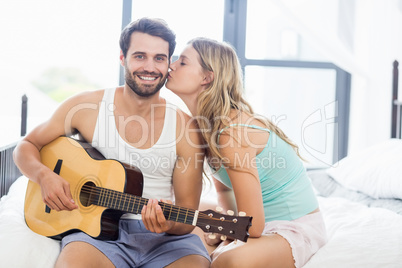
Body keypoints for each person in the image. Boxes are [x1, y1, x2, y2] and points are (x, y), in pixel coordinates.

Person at [13, 18, 210, 268]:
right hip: (96, 235)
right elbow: (27, 145)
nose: (150, 67)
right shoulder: (86, 107)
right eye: (140, 56)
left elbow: (187, 216)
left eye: (159, 58)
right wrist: (43, 176)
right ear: (122, 57)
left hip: (167, 242)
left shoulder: (187, 128)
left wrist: (168, 223)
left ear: (168, 63)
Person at [165, 37, 327, 268]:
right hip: (253, 223)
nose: (171, 65)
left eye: (182, 62)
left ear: (206, 77)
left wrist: (223, 230)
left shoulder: (232, 133)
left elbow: (254, 225)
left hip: (291, 226)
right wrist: (224, 229)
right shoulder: (204, 127)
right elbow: (224, 192)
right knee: (179, 222)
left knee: (227, 261)